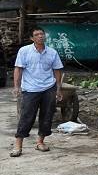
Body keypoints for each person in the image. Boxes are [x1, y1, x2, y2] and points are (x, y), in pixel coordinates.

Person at [11, 27, 63, 157]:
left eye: (42, 34)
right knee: (26, 116)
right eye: (37, 34)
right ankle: (18, 145)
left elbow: (57, 70)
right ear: (32, 38)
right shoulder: (24, 51)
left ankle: (40, 142)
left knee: (47, 116)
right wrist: (16, 86)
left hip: (48, 88)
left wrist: (58, 88)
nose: (40, 36)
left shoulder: (52, 52)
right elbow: (18, 69)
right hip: (30, 89)